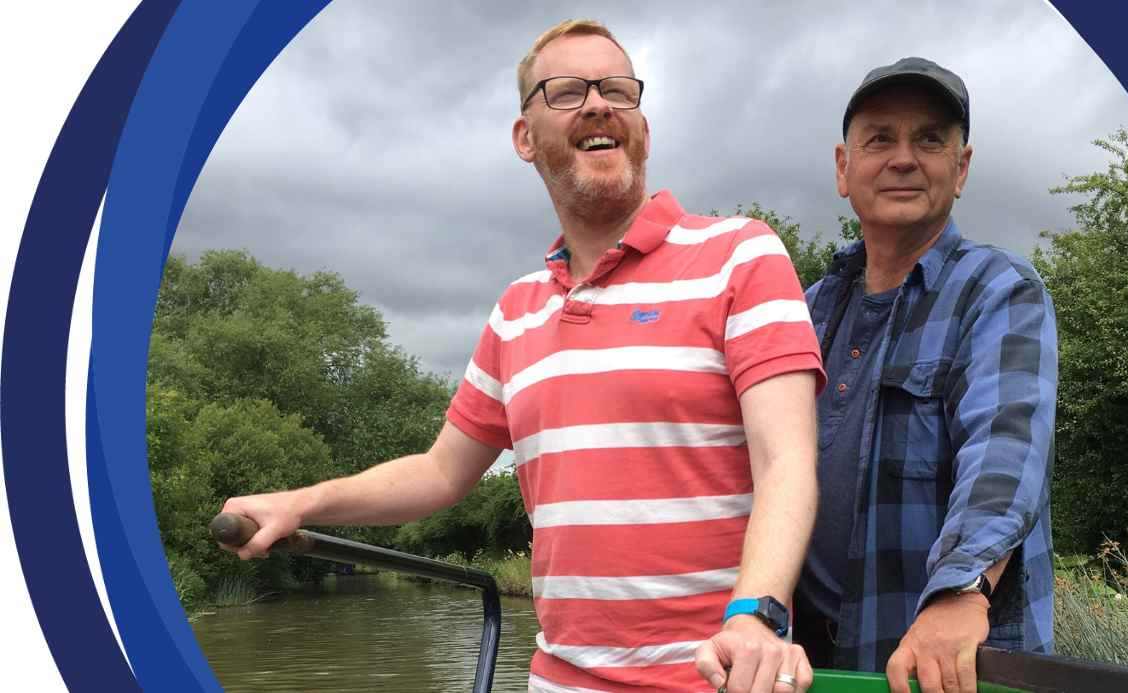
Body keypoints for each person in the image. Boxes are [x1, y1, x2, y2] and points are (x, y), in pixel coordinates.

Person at [220, 19, 825, 693]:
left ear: (644, 131)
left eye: (617, 90)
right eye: (566, 91)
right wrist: (299, 504)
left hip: (720, 675)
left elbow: (787, 461)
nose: (598, 103)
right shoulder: (515, 311)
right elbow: (440, 472)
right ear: (525, 137)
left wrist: (757, 614)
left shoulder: (742, 254)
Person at [792, 57, 1057, 693]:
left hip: (950, 664)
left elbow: (1004, 448)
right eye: (880, 138)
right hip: (808, 664)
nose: (904, 158)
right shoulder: (805, 309)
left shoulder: (1000, 291)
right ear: (842, 167)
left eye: (930, 139)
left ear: (960, 169)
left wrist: (959, 591)